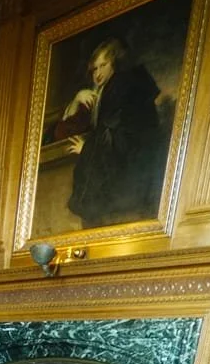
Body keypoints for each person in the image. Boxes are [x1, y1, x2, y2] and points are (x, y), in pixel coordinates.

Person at [53, 37, 167, 229]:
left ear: (113, 63)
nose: (97, 73)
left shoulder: (121, 87)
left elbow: (120, 136)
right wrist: (76, 100)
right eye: (94, 69)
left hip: (130, 177)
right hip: (132, 176)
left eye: (102, 65)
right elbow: (62, 132)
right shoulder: (102, 92)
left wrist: (86, 149)